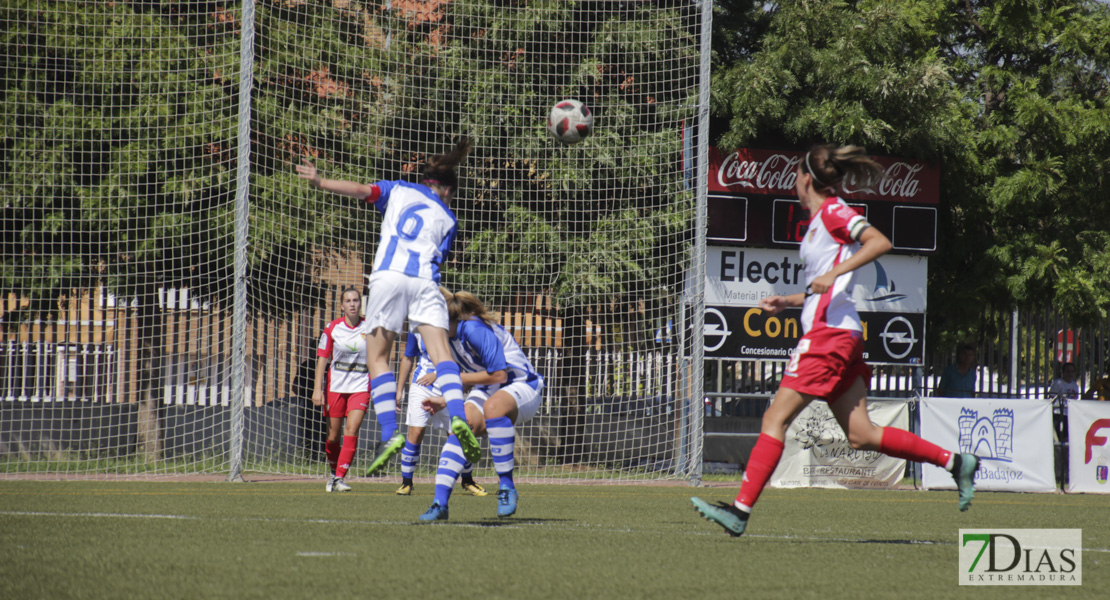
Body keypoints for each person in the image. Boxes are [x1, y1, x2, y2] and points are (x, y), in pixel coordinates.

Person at [690, 143, 980, 537]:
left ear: (805, 178)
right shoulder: (817, 224)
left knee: (774, 419)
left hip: (828, 336)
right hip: (840, 333)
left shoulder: (833, 210)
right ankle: (956, 462)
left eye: (795, 175)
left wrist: (835, 272)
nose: (793, 182)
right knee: (862, 434)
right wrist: (791, 300)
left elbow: (879, 242)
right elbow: (830, 283)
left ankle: (739, 511)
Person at [297, 139, 483, 475]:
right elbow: (438, 256)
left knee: (378, 357)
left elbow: (358, 189)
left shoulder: (397, 188)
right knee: (443, 357)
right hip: (426, 282)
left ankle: (388, 434)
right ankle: (458, 416)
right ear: (446, 191)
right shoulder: (449, 217)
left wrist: (319, 181)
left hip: (388, 277)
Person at [418, 289, 545, 521]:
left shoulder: (474, 329)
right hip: (489, 388)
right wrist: (445, 399)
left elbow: (498, 376)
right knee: (460, 427)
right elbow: (466, 377)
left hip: (523, 384)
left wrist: (461, 380)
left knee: (494, 408)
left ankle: (506, 488)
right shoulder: (445, 339)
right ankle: (439, 504)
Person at [393, 329, 487, 497]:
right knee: (416, 431)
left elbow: (463, 359)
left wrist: (436, 374)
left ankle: (468, 480)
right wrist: (399, 390)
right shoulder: (417, 327)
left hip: (449, 385)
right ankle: (406, 483)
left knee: (459, 434)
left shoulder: (453, 326)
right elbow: (408, 357)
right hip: (422, 385)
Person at [312, 287, 371, 492]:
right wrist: (317, 389)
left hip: (360, 387)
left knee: (352, 429)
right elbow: (322, 359)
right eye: (348, 301)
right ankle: (332, 473)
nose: (353, 304)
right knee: (332, 437)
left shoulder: (370, 328)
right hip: (335, 387)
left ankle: (339, 478)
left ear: (360, 304)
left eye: (355, 300)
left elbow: (379, 358)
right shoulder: (332, 328)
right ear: (342, 305)